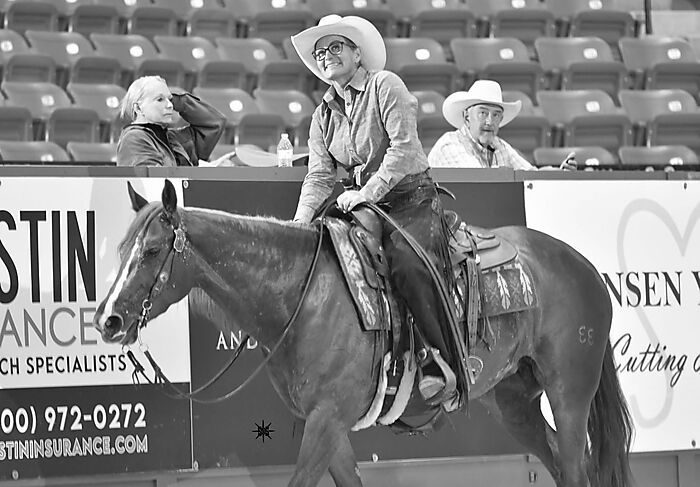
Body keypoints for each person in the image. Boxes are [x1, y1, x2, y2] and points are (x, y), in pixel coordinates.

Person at [291, 15, 460, 407]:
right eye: (320, 52)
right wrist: (300, 221)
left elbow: (403, 148)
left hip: (410, 198)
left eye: (335, 47)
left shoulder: (385, 85)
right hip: (363, 203)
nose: (326, 56)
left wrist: (366, 192)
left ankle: (440, 359)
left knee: (408, 264)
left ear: (356, 53)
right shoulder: (322, 115)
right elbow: (319, 176)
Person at [428, 80, 577, 171]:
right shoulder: (450, 144)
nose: (489, 121)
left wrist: (559, 173)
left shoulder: (499, 145)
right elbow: (478, 180)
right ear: (467, 117)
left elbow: (530, 174)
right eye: (483, 113)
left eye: (496, 115)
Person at [116, 75, 232, 167]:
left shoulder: (173, 138)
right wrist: (205, 171)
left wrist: (179, 100)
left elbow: (215, 123)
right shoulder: (134, 138)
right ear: (138, 108)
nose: (170, 105)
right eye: (160, 99)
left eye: (170, 100)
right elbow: (155, 181)